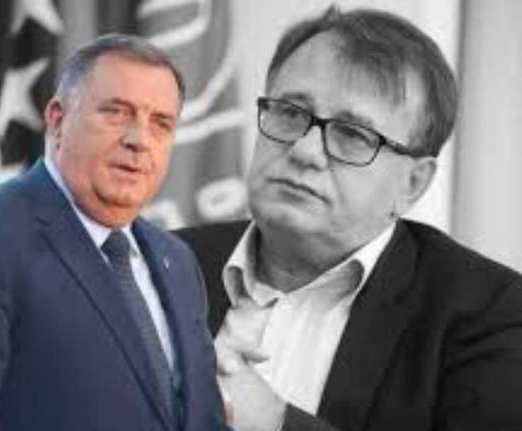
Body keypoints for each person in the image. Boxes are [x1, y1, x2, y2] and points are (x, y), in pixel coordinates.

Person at [176, 6, 522, 431]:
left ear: (412, 184)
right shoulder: (160, 262)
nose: (304, 151)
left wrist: (276, 421)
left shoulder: (489, 314)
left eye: (353, 135)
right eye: (290, 112)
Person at [0, 34, 228, 431]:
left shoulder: (177, 261)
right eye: (117, 113)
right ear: (58, 120)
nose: (139, 140)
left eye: (161, 123)